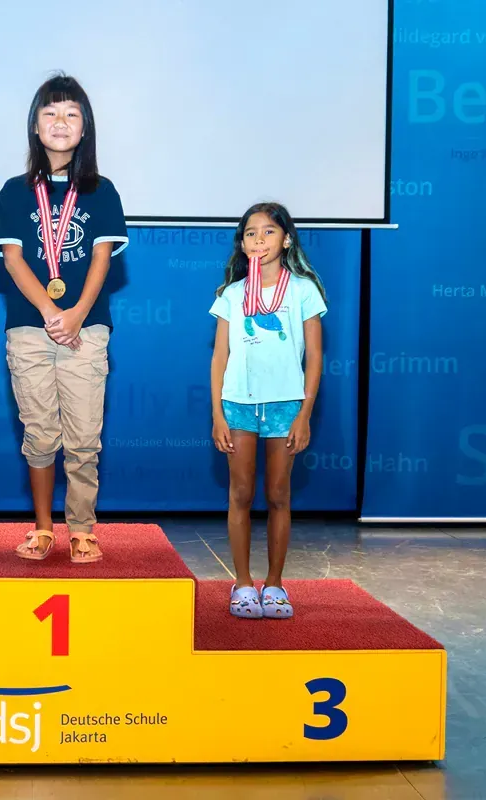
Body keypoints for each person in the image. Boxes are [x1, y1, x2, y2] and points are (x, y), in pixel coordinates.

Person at [0, 73, 128, 564]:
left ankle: (83, 528)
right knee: (40, 432)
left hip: (87, 328)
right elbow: (12, 259)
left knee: (84, 435)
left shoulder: (102, 190)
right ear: (35, 125)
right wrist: (51, 312)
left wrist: (75, 315)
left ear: (85, 127)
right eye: (50, 113)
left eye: (71, 113)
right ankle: (44, 526)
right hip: (29, 328)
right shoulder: (14, 191)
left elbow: (101, 259)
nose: (60, 122)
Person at [208, 203, 326, 618]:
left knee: (278, 494)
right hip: (238, 404)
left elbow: (314, 356)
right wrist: (218, 414)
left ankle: (275, 584)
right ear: (242, 244)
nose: (260, 240)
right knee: (239, 494)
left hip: (285, 405)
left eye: (269, 232)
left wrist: (304, 414)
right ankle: (242, 584)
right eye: (251, 233)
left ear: (287, 239)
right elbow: (219, 356)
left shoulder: (304, 290)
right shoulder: (231, 294)